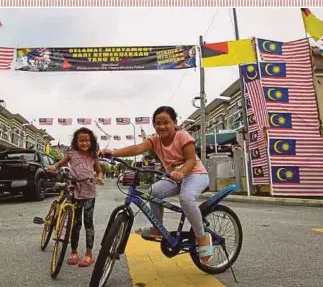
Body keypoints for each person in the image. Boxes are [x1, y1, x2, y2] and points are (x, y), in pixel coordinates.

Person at [98, 106, 212, 265]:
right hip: (174, 177)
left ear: (174, 122)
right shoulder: (155, 140)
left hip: (195, 174)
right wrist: (113, 152)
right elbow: (137, 148)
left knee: (186, 198)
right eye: (158, 123)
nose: (162, 126)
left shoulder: (183, 136)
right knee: (152, 192)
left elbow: (191, 160)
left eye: (166, 122)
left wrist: (181, 172)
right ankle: (158, 228)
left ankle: (201, 236)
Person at [46, 127, 104, 268]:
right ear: (76, 141)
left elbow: (99, 171)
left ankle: (89, 254)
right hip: (74, 190)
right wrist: (53, 167)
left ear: (91, 141)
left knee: (88, 223)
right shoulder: (71, 153)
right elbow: (60, 164)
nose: (84, 143)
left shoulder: (93, 155)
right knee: (76, 223)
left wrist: (99, 178)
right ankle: (73, 252)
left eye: (87, 140)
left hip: (89, 192)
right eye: (81, 140)